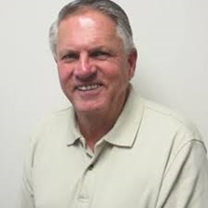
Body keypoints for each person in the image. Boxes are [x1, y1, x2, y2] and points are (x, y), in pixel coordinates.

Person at [19, 0, 208, 207]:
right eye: (70, 56)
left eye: (99, 53)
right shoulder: (43, 137)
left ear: (130, 63)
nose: (83, 70)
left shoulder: (178, 144)